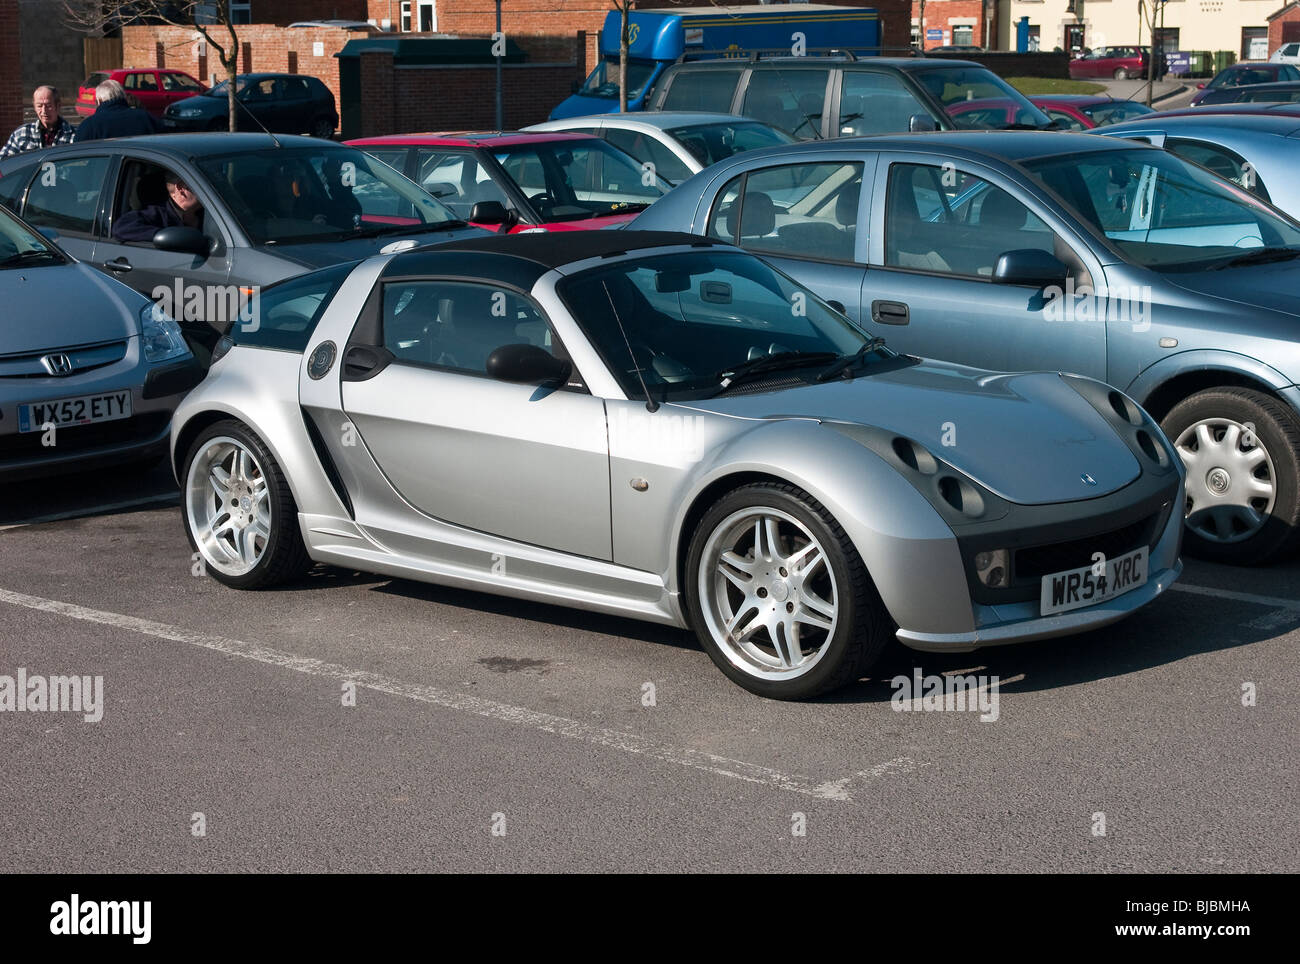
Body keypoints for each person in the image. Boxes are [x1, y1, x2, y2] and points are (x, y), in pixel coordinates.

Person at [113, 171, 206, 243]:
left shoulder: (209, 212)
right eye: (202, 186)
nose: (207, 193)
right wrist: (166, 235)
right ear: (181, 189)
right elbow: (121, 228)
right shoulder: (156, 214)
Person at [0, 86, 75, 159]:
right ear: (34, 107)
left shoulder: (73, 135)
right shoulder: (22, 133)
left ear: (58, 106)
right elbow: (3, 161)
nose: (44, 111)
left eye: (48, 106)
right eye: (39, 106)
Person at [73, 80, 158, 142]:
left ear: (99, 101)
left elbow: (77, 154)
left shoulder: (89, 125)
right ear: (123, 96)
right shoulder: (146, 118)